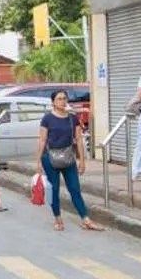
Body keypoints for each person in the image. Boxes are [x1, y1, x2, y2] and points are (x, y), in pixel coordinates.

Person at [36, 88, 99, 232]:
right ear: (53, 102)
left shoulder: (72, 118)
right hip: (50, 158)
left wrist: (82, 161)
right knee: (54, 189)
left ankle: (86, 219)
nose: (63, 101)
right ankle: (57, 219)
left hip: (68, 158)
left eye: (64, 98)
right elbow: (42, 140)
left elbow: (78, 139)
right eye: (59, 99)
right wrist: (38, 161)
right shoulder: (47, 118)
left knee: (75, 189)